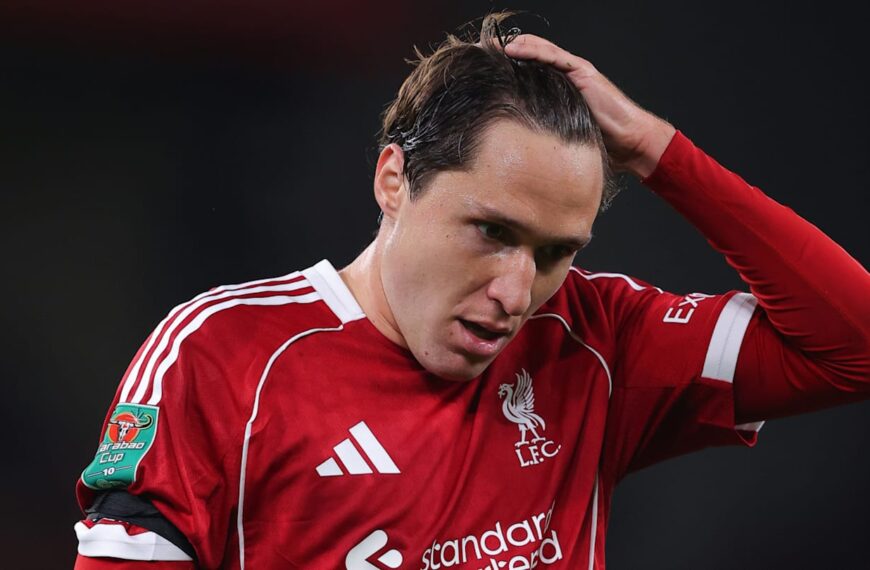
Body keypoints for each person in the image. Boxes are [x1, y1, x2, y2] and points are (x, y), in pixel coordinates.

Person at [73, 13, 869, 570]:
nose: (517, 291)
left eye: (556, 251)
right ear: (394, 179)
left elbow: (855, 344)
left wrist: (660, 151)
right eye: (492, 232)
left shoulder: (592, 337)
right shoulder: (221, 356)